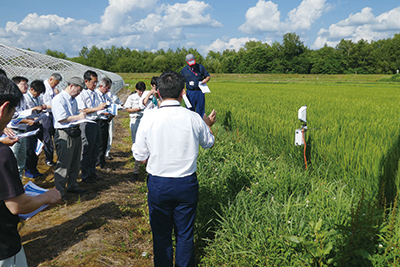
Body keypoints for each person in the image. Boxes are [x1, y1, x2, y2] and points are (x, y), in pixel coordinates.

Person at [132, 71, 216, 266]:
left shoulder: (149, 118)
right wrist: (208, 125)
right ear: (183, 92)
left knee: (161, 234)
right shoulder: (193, 118)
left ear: (158, 92)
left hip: (159, 183)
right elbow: (209, 143)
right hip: (186, 182)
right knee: (185, 234)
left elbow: (140, 157)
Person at [0, 74, 61, 267]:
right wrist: (49, 197)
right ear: (3, 109)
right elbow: (17, 206)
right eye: (12, 112)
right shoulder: (2, 155)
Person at [52, 77, 87, 199]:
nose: (79, 93)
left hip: (74, 132)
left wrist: (79, 116)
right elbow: (62, 118)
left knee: (75, 162)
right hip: (64, 133)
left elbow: (73, 116)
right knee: (64, 163)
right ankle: (59, 191)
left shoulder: (73, 100)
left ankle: (73, 186)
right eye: (78, 89)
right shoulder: (58, 99)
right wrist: (79, 117)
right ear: (71, 86)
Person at [76, 70, 106, 184]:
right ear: (86, 81)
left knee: (95, 148)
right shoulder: (82, 94)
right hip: (87, 123)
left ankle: (92, 172)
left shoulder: (95, 94)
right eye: (93, 82)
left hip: (96, 121)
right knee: (87, 148)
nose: (95, 85)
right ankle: (85, 174)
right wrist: (97, 108)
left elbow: (97, 107)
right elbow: (83, 110)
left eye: (96, 82)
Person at [5, 76, 36, 179]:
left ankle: (19, 185)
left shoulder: (22, 98)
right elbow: (13, 118)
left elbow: (21, 114)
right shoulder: (12, 99)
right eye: (24, 84)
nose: (26, 86)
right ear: (15, 85)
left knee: (21, 161)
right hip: (13, 132)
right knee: (12, 160)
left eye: (27, 84)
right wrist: (27, 120)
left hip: (23, 132)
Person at [24, 80, 47, 179]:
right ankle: (28, 169)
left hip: (37, 124)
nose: (38, 95)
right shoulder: (24, 98)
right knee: (29, 148)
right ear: (31, 89)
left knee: (37, 147)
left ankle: (34, 168)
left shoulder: (37, 98)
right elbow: (22, 113)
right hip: (28, 125)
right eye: (37, 92)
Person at [124, 82, 146, 179]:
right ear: (136, 89)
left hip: (144, 119)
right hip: (135, 119)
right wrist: (136, 109)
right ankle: (136, 161)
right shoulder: (132, 97)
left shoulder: (147, 96)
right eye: (139, 91)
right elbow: (127, 109)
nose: (141, 93)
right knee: (136, 141)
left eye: (143, 91)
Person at [42, 73, 62, 166]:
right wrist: (54, 106)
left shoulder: (53, 89)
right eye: (55, 83)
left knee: (55, 136)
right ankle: (49, 159)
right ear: (50, 79)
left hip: (53, 114)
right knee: (48, 138)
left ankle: (59, 157)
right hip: (46, 114)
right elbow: (45, 105)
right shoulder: (44, 88)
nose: (56, 85)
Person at [95, 77, 113, 169]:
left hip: (105, 120)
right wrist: (103, 112)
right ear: (101, 86)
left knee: (104, 141)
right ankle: (98, 162)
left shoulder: (105, 95)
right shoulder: (95, 95)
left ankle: (102, 160)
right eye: (107, 88)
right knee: (100, 142)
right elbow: (94, 109)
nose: (108, 90)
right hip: (99, 120)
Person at [105, 90, 123, 160]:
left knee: (109, 134)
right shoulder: (98, 95)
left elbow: (121, 104)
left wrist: (113, 112)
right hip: (101, 118)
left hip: (110, 117)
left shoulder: (113, 96)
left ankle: (107, 152)